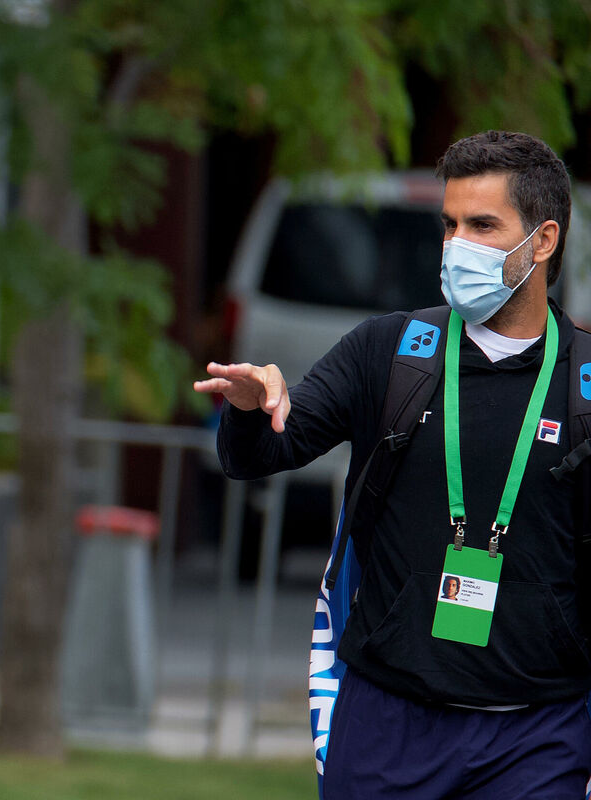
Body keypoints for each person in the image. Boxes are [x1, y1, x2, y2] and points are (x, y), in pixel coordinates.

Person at [195, 130, 591, 798]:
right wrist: (251, 407)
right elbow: (263, 453)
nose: (456, 246)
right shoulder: (390, 351)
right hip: (387, 724)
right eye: (449, 225)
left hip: (537, 737)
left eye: (482, 226)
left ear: (543, 241)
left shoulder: (583, 381)